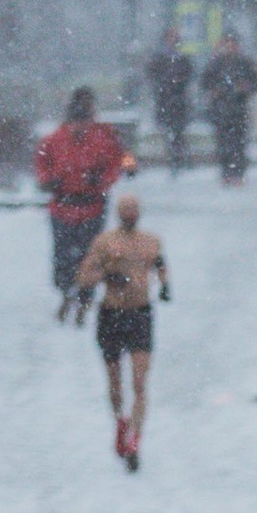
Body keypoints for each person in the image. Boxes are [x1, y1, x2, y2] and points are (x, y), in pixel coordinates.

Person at [74, 188, 168, 469]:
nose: (130, 215)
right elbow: (86, 274)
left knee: (140, 382)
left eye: (133, 210)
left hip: (140, 314)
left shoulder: (150, 241)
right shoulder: (105, 242)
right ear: (118, 213)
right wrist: (105, 276)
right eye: (125, 210)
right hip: (112, 315)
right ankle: (120, 422)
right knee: (115, 382)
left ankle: (135, 439)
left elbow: (160, 264)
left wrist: (165, 285)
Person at [33, 87, 134, 319]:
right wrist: (48, 181)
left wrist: (103, 180)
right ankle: (67, 289)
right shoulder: (54, 140)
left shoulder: (103, 138)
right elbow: (41, 163)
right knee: (63, 252)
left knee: (90, 253)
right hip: (62, 206)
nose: (79, 127)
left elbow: (116, 162)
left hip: (92, 206)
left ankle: (85, 292)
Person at [200, 29, 257, 184]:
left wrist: (246, 87)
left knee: (239, 143)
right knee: (223, 142)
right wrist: (214, 91)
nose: (230, 47)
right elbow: (204, 83)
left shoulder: (244, 63)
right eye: (227, 43)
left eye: (233, 43)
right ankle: (226, 173)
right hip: (220, 110)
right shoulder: (215, 64)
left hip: (239, 109)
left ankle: (238, 173)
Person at [148, 28, 194, 176]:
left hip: (178, 102)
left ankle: (178, 159)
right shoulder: (158, 59)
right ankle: (174, 159)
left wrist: (176, 83)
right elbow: (152, 76)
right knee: (168, 132)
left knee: (178, 132)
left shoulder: (182, 59)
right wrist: (164, 86)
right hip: (164, 102)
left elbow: (188, 76)